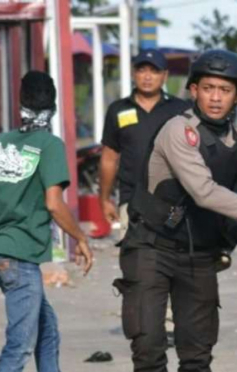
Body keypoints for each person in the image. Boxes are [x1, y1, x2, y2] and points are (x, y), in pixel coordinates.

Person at [115, 49, 237, 372]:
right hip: (151, 246)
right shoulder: (179, 130)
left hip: (199, 252)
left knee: (197, 354)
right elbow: (204, 192)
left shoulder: (236, 134)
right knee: (148, 349)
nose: (216, 98)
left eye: (225, 90)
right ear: (193, 91)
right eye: (208, 88)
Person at [0, 71, 93, 372]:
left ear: (20, 103)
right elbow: (54, 205)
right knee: (19, 345)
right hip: (19, 258)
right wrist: (81, 239)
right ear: (53, 107)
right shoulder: (50, 144)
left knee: (47, 331)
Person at [99, 49, 189, 239]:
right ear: (133, 74)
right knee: (133, 261)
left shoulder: (181, 110)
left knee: (172, 261)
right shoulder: (118, 110)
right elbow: (109, 159)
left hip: (174, 201)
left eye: (154, 71)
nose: (147, 77)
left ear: (165, 76)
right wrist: (105, 199)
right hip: (131, 200)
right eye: (142, 70)